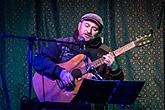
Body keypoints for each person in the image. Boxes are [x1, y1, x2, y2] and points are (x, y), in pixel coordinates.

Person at [32, 13, 124, 108]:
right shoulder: (63, 43)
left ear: (98, 33)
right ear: (79, 25)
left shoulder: (105, 51)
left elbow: (117, 83)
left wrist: (114, 67)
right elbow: (39, 60)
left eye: (94, 29)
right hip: (60, 102)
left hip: (90, 104)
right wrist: (60, 72)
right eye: (87, 25)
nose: (89, 31)